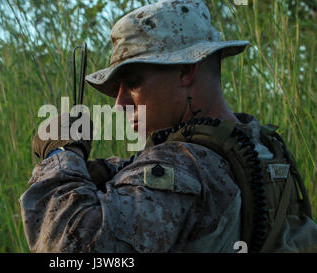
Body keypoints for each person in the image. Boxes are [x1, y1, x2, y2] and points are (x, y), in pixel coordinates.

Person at [20, 0, 316, 253]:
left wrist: (60, 156)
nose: (119, 104)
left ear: (186, 70)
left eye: (133, 83)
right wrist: (111, 171)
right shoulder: (257, 141)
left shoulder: (184, 165)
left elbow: (65, 244)